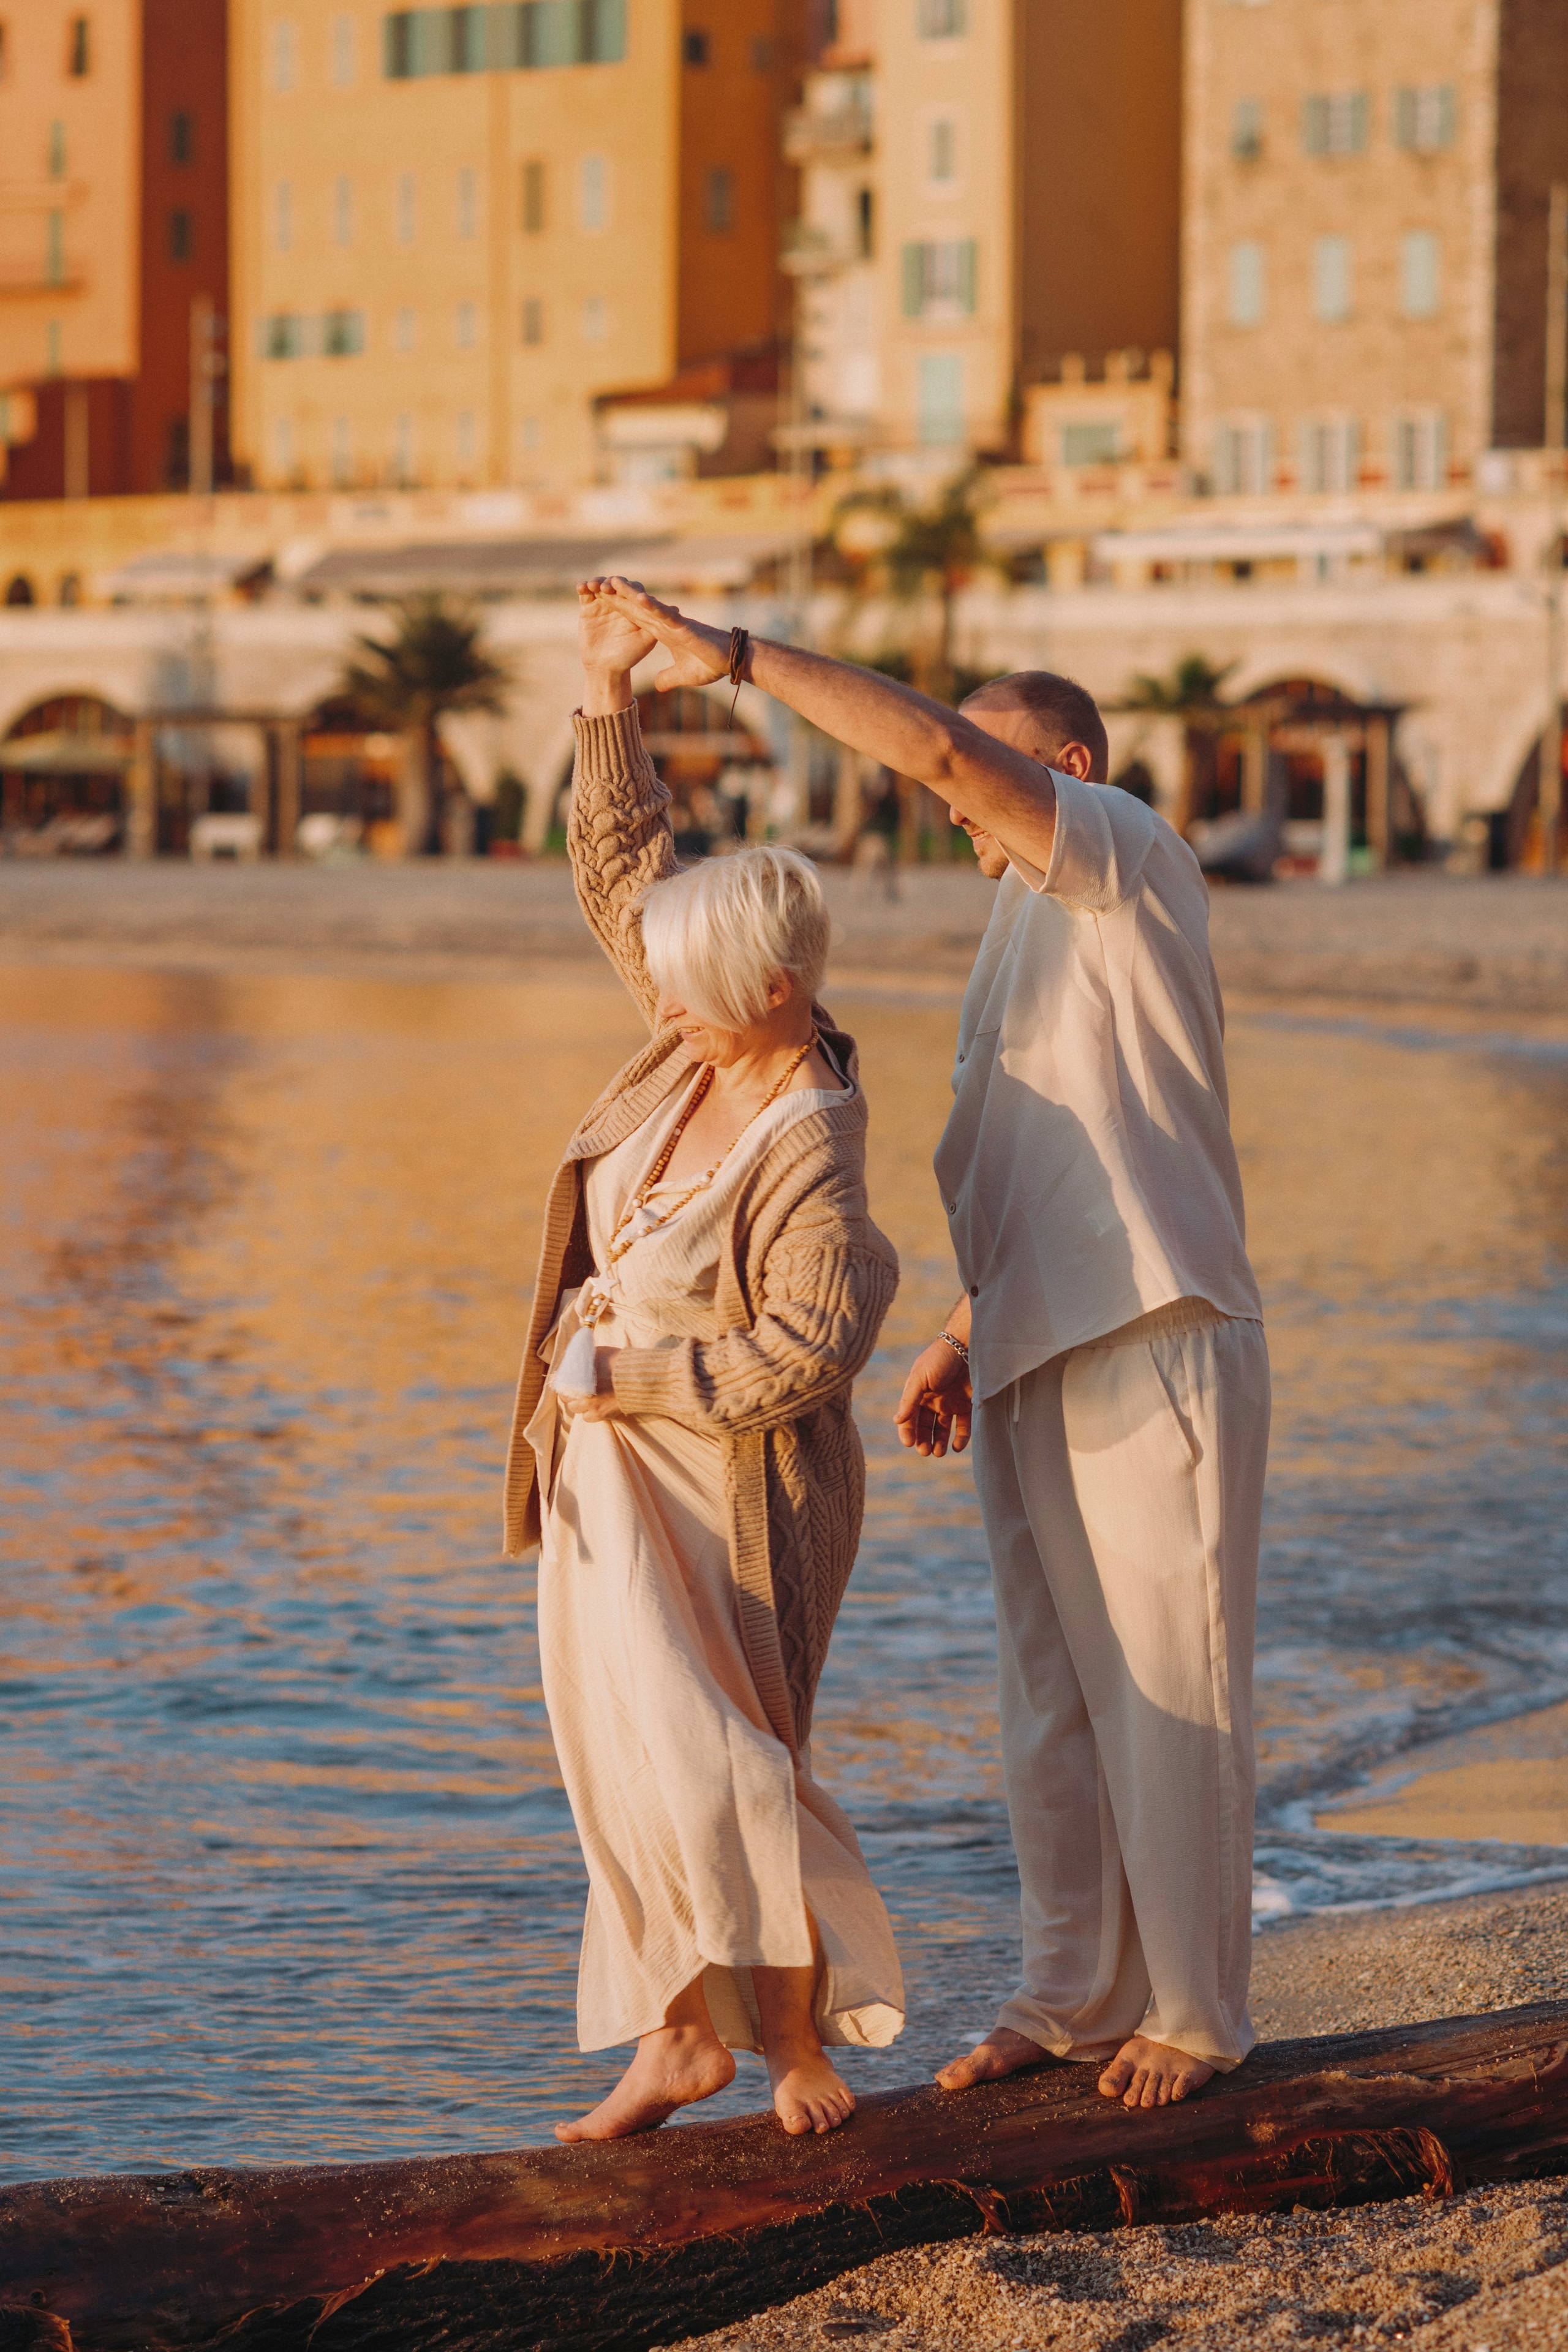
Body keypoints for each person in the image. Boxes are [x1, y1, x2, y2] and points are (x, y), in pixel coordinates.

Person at [593, 576, 1270, 2115]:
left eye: (985, 774)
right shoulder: (1023, 921)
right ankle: (1070, 1996)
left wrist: (738, 658)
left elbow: (945, 755)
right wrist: (965, 1328)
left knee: (1171, 1687)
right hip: (1033, 1338)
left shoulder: (1126, 856)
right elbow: (1061, 1155)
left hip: (1155, 1330)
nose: (953, 808)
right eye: (960, 788)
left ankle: (1195, 2013)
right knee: (1052, 1703)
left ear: (1065, 772)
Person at [502, 581, 903, 2143]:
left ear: (777, 988)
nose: (655, 1002)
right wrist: (606, 688)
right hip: (605, 1482)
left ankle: (791, 2040)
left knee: (733, 1760)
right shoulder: (694, 1036)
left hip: (730, 1494)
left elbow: (806, 1349)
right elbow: (624, 878)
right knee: (622, 1762)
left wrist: (627, 1382)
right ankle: (676, 2037)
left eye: (685, 987)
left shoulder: (810, 1142)